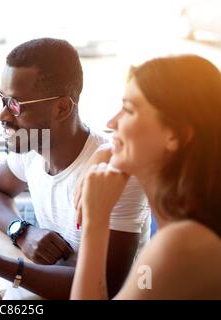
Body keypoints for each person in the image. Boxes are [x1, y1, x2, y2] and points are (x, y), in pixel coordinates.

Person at [0, 38, 150, 299]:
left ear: (61, 107)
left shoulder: (116, 172)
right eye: (2, 100)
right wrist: (22, 231)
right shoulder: (34, 144)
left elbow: (107, 286)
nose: (3, 116)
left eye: (15, 104)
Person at [71, 54, 221, 299]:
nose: (112, 122)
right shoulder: (186, 220)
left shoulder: (180, 243)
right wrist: (107, 150)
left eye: (128, 110)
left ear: (175, 136)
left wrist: (96, 221)